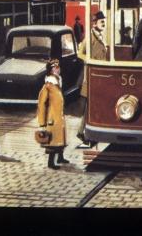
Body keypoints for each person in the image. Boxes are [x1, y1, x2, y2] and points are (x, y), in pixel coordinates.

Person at [76, 11, 107, 149]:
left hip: (98, 76)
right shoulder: (90, 37)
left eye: (103, 21)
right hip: (91, 75)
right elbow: (80, 53)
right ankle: (83, 132)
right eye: (101, 22)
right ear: (95, 24)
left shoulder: (99, 36)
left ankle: (83, 132)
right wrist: (89, 60)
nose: (103, 23)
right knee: (90, 106)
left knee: (91, 106)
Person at [37, 59, 69, 169]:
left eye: (58, 67)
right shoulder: (49, 85)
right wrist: (42, 123)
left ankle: (60, 157)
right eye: (55, 68)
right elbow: (41, 103)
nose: (58, 69)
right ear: (50, 70)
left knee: (60, 139)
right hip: (52, 118)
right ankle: (51, 162)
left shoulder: (58, 81)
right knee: (52, 141)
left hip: (58, 116)